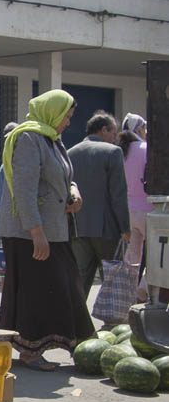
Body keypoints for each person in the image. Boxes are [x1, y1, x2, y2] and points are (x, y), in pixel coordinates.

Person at [0, 89, 94, 371]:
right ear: (52, 111)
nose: (67, 122)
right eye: (66, 116)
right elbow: (24, 190)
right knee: (37, 290)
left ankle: (83, 346)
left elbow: (66, 178)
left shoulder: (52, 140)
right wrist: (36, 232)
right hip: (30, 232)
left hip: (55, 228)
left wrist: (74, 193)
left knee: (66, 284)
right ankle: (30, 351)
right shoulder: (28, 138)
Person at [67, 111, 130, 297]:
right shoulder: (113, 152)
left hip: (78, 228)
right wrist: (125, 228)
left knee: (79, 280)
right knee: (112, 281)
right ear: (104, 130)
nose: (114, 139)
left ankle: (75, 324)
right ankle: (111, 325)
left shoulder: (70, 152)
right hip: (107, 230)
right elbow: (118, 194)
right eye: (113, 133)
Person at [118, 112, 149, 301]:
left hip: (127, 212)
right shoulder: (148, 148)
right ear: (138, 129)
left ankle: (128, 294)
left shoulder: (120, 151)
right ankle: (143, 289)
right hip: (149, 210)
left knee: (132, 257)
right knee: (157, 255)